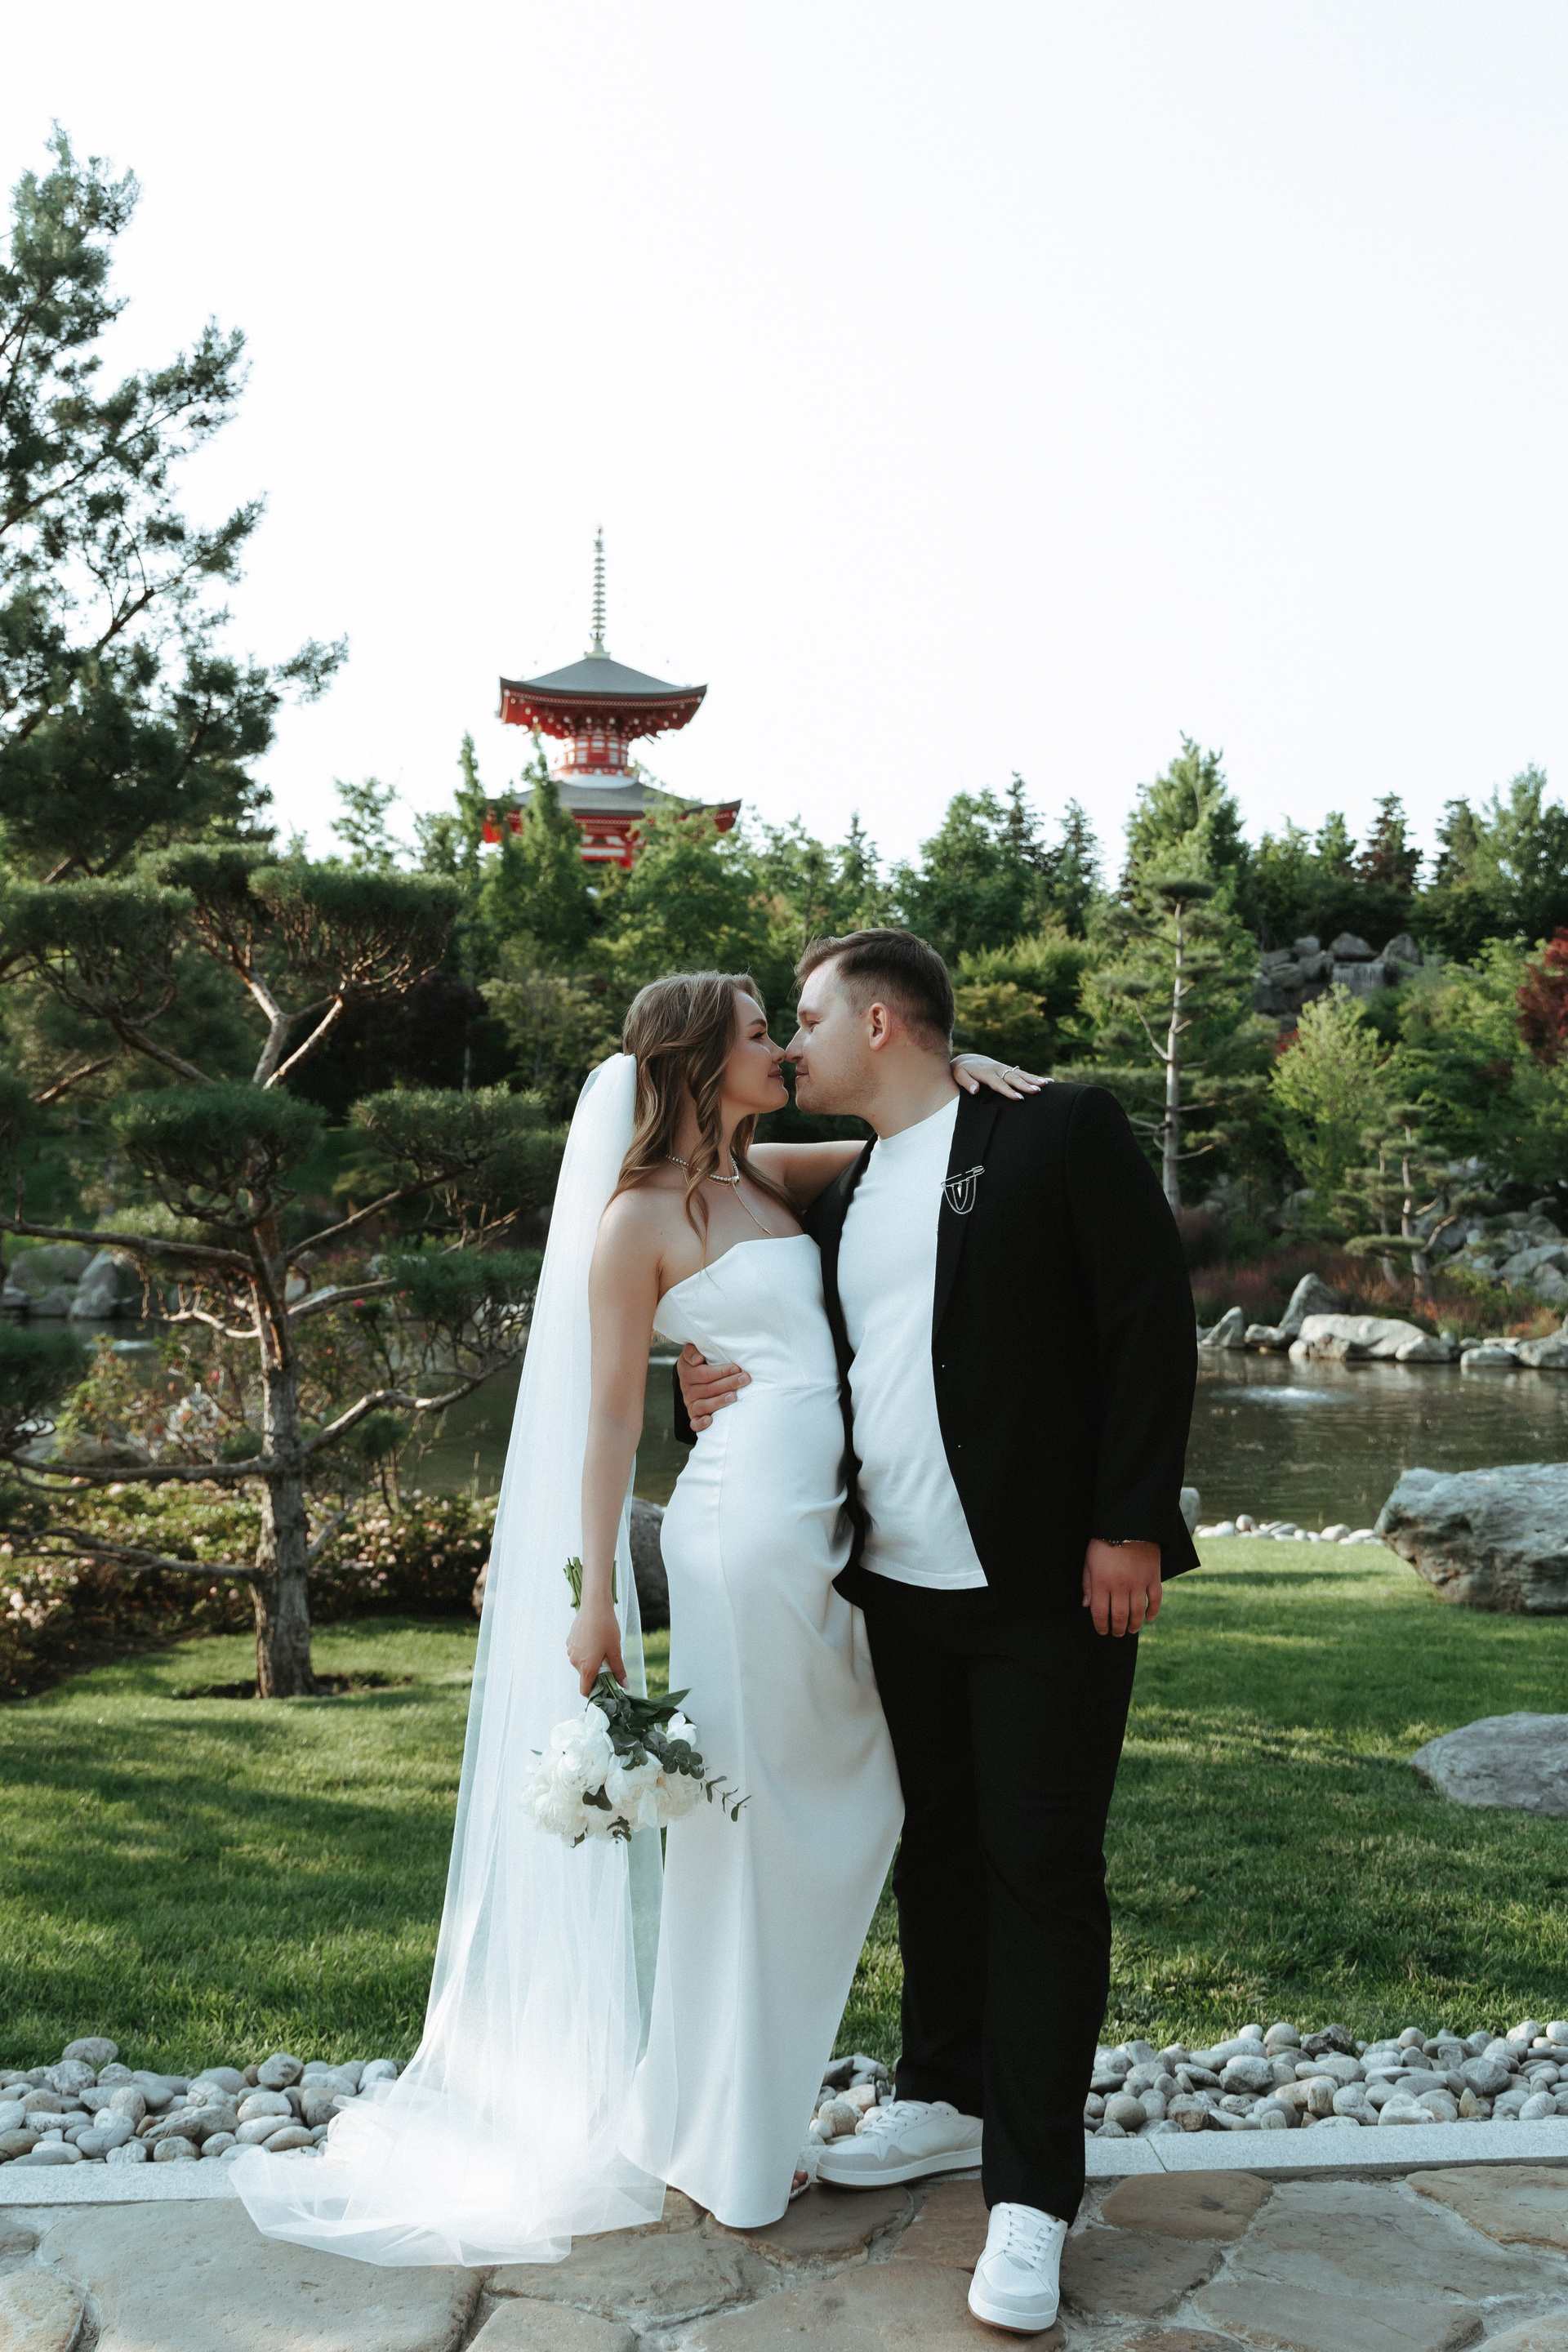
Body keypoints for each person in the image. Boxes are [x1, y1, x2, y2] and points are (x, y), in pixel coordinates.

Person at [232, 968, 1028, 2269]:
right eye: (761, 1036)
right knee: (755, 1838)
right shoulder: (636, 1219)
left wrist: (967, 1071)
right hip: (744, 1538)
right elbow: (604, 1417)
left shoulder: (771, 1176)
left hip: (825, 1530)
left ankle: (711, 2112)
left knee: (842, 1812)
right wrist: (593, 1594)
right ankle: (733, 2138)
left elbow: (911, 1129)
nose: (783, 1051)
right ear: (699, 1061)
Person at [675, 928, 1197, 2336]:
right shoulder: (836, 1189)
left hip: (1049, 1584)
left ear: (880, 1024)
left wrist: (1131, 1522)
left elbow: (1149, 1318)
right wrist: (693, 1379)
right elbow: (752, 1299)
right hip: (895, 1589)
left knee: (1041, 1874)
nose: (792, 1043)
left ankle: (1032, 2199)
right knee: (941, 1855)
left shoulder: (1058, 1130)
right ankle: (947, 2094)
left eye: (807, 1018)